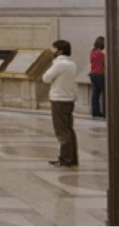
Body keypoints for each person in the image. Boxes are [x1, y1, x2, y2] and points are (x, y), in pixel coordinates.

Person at [42, 39, 79, 167]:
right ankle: (72, 157)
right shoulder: (72, 63)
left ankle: (66, 159)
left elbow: (46, 78)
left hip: (59, 99)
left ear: (60, 51)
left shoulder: (59, 64)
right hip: (69, 98)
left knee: (61, 130)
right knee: (69, 129)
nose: (53, 51)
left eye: (54, 49)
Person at [89, 36, 105, 119]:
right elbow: (104, 64)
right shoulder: (102, 53)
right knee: (105, 94)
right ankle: (105, 112)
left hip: (93, 74)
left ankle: (95, 112)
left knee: (95, 94)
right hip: (101, 74)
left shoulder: (92, 52)